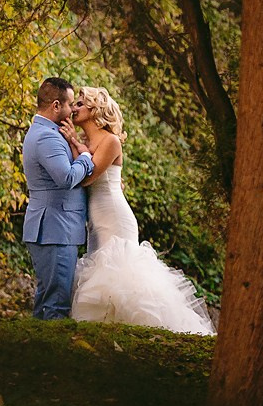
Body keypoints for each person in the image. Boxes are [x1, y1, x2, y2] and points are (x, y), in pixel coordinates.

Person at [68, 86, 215, 335]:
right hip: (96, 217)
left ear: (95, 110)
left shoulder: (110, 141)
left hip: (115, 216)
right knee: (99, 269)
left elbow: (86, 177)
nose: (74, 109)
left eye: (80, 104)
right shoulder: (86, 142)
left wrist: (73, 142)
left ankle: (142, 326)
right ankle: (105, 328)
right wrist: (77, 144)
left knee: (118, 270)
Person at [21, 76, 94, 320]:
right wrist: (85, 158)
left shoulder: (46, 132)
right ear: (55, 105)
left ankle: (36, 351)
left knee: (47, 299)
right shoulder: (47, 137)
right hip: (55, 229)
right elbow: (65, 178)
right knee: (57, 305)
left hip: (53, 227)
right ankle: (51, 356)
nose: (73, 109)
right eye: (70, 104)